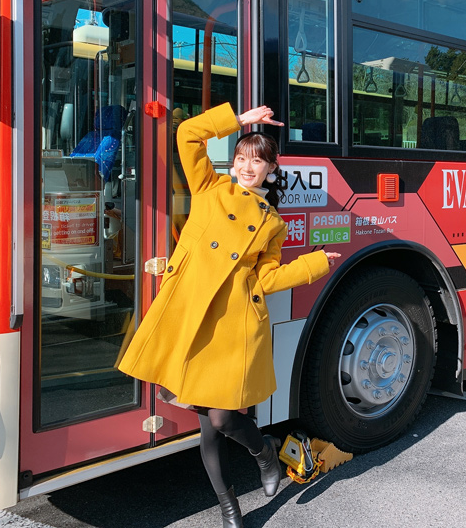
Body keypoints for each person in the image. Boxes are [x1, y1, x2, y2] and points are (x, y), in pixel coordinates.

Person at [118, 102, 340, 528]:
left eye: (257, 160)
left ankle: (264, 454)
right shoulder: (209, 188)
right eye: (241, 157)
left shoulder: (272, 221)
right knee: (208, 427)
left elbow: (268, 278)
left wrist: (316, 263)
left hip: (232, 323)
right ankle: (229, 508)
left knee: (222, 417)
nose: (246, 166)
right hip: (192, 316)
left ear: (272, 169)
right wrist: (239, 121)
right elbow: (187, 135)